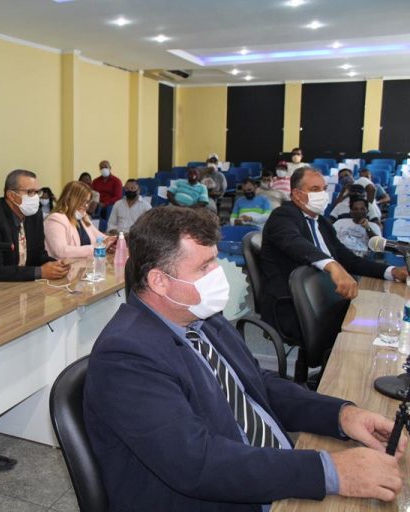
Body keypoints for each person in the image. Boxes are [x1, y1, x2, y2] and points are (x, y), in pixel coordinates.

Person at [84, 205, 406, 511]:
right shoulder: (126, 356)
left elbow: (258, 384)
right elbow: (197, 463)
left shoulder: (203, 319)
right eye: (204, 267)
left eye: (215, 260)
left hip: (266, 471)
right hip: (219, 498)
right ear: (159, 281)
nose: (218, 273)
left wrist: (341, 415)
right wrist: (330, 471)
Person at [260, 167, 406, 340]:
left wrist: (391, 271)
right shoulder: (282, 215)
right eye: (315, 189)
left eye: (323, 189)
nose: (322, 194)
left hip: (327, 297)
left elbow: (349, 260)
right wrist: (332, 265)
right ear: (297, 194)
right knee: (366, 327)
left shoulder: (322, 222)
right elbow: (294, 242)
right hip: (294, 306)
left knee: (381, 312)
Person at [0, 169, 69, 283]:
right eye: (30, 192)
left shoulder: (34, 215)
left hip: (24, 285)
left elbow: (39, 255)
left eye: (37, 192)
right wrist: (39, 272)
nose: (35, 197)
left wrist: (57, 264)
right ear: (11, 195)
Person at [44, 181, 114, 259]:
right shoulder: (55, 219)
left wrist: (112, 241)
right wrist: (98, 247)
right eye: (83, 201)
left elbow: (99, 236)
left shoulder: (83, 217)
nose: (86, 206)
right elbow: (61, 251)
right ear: (70, 199)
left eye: (87, 202)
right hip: (64, 265)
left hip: (84, 264)